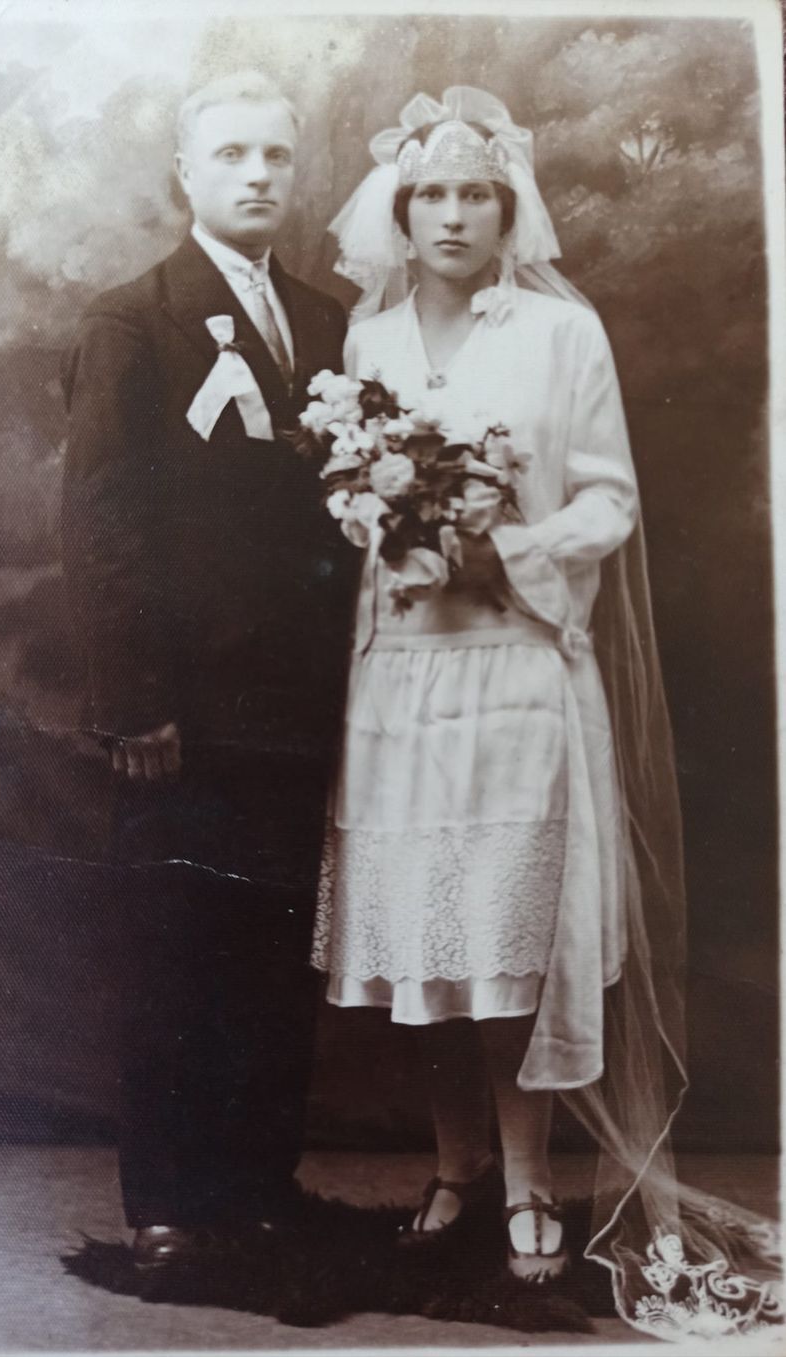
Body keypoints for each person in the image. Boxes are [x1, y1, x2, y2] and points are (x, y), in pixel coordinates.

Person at [312, 87, 781, 1339]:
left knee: (508, 936)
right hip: (403, 670)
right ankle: (456, 1164)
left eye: (477, 194)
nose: (453, 215)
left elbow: (610, 497)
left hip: (517, 663)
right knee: (427, 937)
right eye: (431, 196)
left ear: (510, 209)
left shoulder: (562, 337)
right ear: (400, 216)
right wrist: (394, 538)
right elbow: (345, 514)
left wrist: (507, 547)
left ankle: (528, 1187)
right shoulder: (366, 342)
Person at [61, 71, 356, 1273]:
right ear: (186, 174)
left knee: (275, 952)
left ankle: (258, 1180)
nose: (256, 177)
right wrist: (134, 699)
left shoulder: (331, 322)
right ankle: (172, 1203)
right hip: (181, 708)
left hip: (299, 704)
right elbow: (101, 522)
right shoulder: (133, 318)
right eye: (230, 155)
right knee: (177, 946)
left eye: (275, 157)